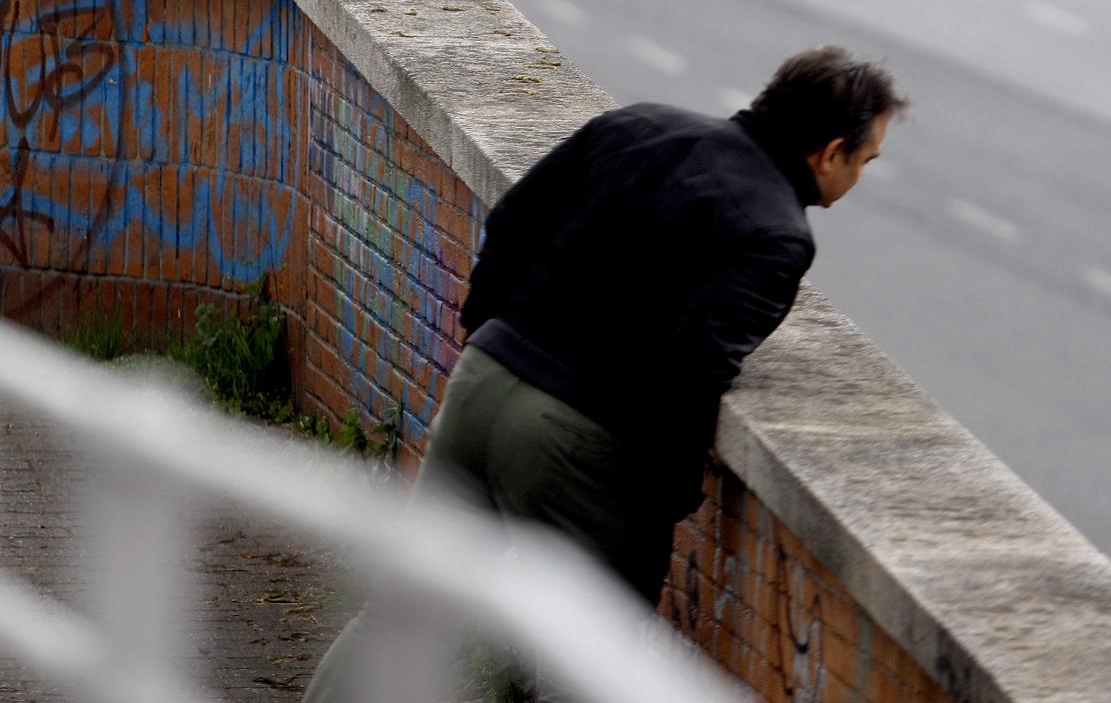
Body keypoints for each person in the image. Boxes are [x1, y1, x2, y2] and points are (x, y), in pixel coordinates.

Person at [305, 47, 903, 697]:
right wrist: (666, 499)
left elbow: (511, 222)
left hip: (485, 380)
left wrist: (487, 338)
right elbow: (693, 370)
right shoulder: (777, 235)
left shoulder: (638, 126)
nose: (859, 177)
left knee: (403, 612)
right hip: (578, 441)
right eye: (866, 161)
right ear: (831, 151)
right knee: (586, 665)